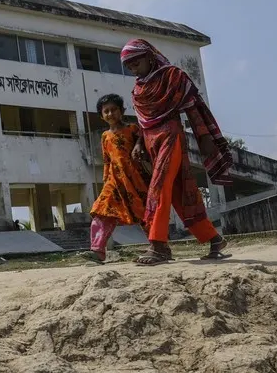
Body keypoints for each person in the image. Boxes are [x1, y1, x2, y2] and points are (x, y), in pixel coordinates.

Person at [120, 38, 233, 266]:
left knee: (159, 188)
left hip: (170, 136)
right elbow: (143, 122)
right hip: (151, 141)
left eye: (136, 63)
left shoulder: (173, 76)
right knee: (180, 192)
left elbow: (193, 107)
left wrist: (204, 137)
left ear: (149, 57)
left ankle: (158, 246)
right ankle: (214, 239)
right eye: (129, 67)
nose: (134, 69)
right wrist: (139, 144)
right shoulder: (138, 88)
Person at [84, 93, 150, 263]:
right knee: (102, 210)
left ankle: (158, 245)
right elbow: (107, 159)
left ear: (122, 111)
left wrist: (138, 144)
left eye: (114, 109)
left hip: (135, 178)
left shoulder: (133, 129)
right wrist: (106, 179)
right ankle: (98, 250)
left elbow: (143, 142)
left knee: (145, 212)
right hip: (113, 180)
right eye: (106, 111)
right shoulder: (105, 136)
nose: (110, 114)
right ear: (101, 116)